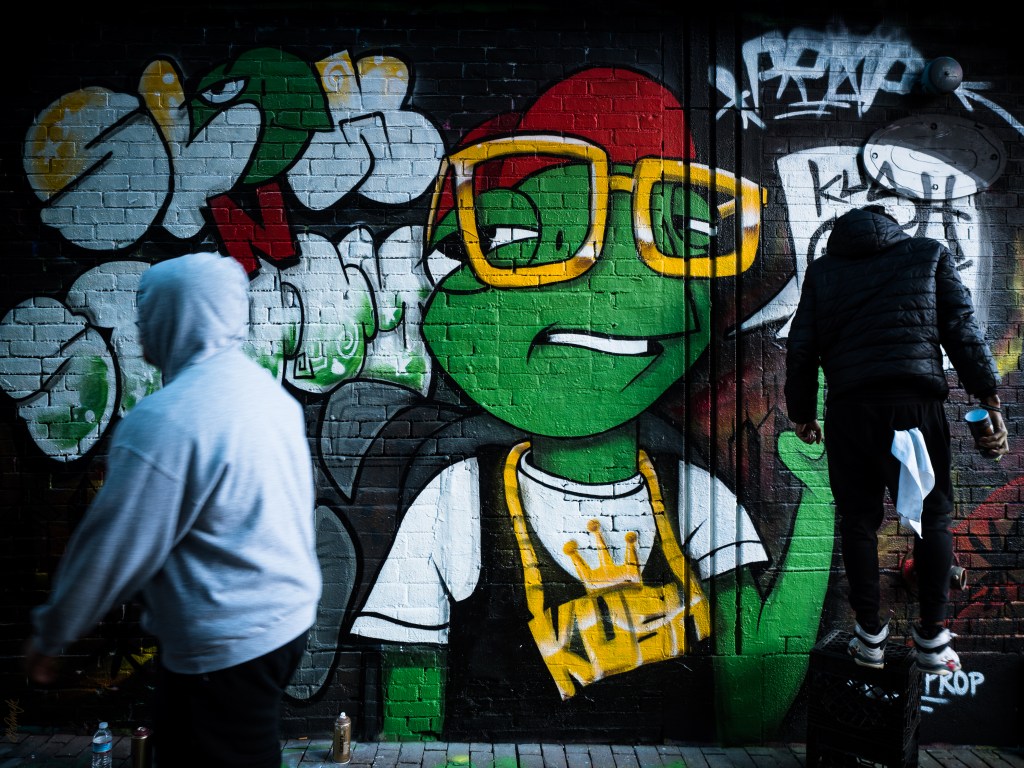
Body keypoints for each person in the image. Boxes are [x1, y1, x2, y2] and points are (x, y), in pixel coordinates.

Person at [24, 251, 323, 768]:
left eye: (149, 312)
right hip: (284, 621)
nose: (140, 327)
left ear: (177, 317)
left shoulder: (165, 421)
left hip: (225, 640)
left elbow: (111, 550)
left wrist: (54, 634)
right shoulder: (268, 397)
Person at [784, 205, 1009, 676]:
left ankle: (869, 638)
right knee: (934, 517)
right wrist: (987, 393)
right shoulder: (927, 254)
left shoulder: (824, 273)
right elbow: (961, 329)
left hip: (850, 412)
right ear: (892, 226)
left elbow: (802, 348)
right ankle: (933, 638)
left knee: (858, 522)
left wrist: (802, 413)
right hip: (913, 408)